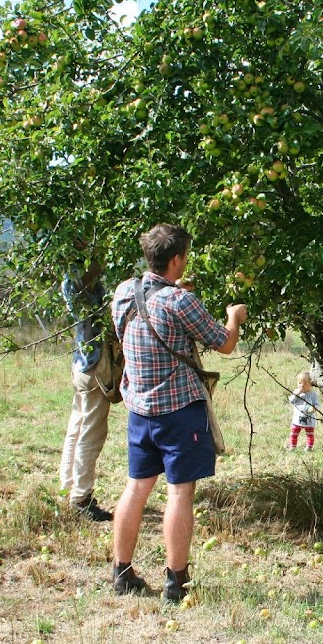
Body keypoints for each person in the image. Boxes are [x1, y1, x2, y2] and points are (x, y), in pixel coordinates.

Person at [110, 223, 247, 602]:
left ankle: (122, 572)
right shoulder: (180, 302)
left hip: (139, 409)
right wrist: (233, 316)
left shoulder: (124, 291)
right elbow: (224, 343)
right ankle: (176, 580)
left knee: (136, 487)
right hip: (179, 411)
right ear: (176, 259)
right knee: (180, 492)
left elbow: (137, 327)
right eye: (185, 256)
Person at [58, 263, 114, 522]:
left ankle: (68, 486)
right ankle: (81, 497)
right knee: (91, 432)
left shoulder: (71, 281)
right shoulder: (79, 285)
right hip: (93, 366)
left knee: (78, 425)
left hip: (81, 364)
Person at [287, 370, 321, 451]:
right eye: (300, 383)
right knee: (294, 433)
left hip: (309, 419)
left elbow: (317, 404)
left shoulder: (313, 395)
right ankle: (293, 446)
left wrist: (314, 408)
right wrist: (297, 393)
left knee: (310, 434)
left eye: (305, 383)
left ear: (311, 384)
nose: (302, 385)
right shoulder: (297, 393)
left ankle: (309, 447)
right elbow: (291, 400)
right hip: (297, 419)